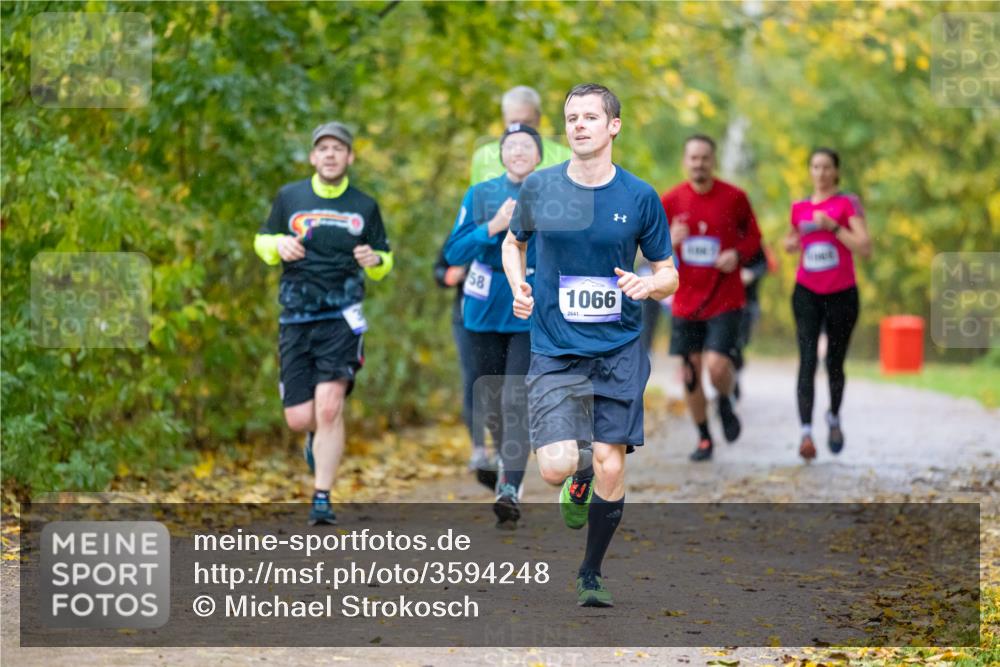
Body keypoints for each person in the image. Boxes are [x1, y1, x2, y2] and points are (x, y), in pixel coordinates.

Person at [502, 84, 678, 607]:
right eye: (571, 117)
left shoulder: (639, 196)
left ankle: (591, 573)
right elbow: (514, 245)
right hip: (556, 345)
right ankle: (575, 473)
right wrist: (518, 286)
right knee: (556, 465)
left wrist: (650, 285)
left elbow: (668, 273)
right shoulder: (541, 188)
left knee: (612, 463)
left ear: (614, 126)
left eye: (590, 117)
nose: (578, 125)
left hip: (619, 346)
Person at [254, 121, 393, 525]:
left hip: (342, 318)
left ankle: (321, 497)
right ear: (313, 157)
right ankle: (315, 437)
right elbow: (261, 240)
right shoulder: (289, 197)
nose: (330, 154)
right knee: (301, 417)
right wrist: (276, 244)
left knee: (330, 408)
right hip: (296, 316)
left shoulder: (364, 205)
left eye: (338, 148)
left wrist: (375, 261)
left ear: (349, 157)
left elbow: (385, 258)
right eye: (323, 148)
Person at [444, 123, 543, 527]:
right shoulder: (480, 194)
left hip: (526, 311)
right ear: (502, 154)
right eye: (511, 146)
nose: (518, 152)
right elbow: (453, 250)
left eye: (526, 146)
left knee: (515, 398)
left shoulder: (552, 194)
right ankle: (507, 467)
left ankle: (510, 487)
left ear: (538, 155)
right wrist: (493, 227)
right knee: (492, 400)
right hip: (483, 314)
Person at [661, 135, 762, 462]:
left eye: (705, 157)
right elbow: (648, 248)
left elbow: (755, 239)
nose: (699, 163)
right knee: (691, 373)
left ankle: (726, 398)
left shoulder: (735, 198)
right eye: (693, 158)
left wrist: (737, 254)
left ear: (713, 161)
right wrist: (668, 240)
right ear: (684, 161)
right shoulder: (671, 200)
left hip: (725, 298)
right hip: (686, 301)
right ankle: (704, 438)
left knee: (718, 368)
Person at [783, 148, 871, 461]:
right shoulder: (800, 207)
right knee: (807, 359)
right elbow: (791, 240)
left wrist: (833, 226)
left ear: (836, 171)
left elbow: (865, 247)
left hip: (842, 293)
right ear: (810, 171)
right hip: (806, 291)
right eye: (815, 167)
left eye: (826, 167)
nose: (820, 173)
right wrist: (790, 243)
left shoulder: (847, 204)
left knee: (834, 361)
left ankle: (833, 417)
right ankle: (806, 433)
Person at [469, 85, 572, 185]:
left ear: (538, 119)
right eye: (514, 123)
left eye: (527, 122)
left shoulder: (565, 156)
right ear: (503, 120)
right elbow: (476, 200)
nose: (520, 129)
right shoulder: (483, 156)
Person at [731, 246, 774, 399]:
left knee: (739, 344)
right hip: (723, 302)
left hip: (748, 302)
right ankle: (726, 386)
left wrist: (752, 274)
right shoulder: (719, 232)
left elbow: (766, 264)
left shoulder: (752, 241)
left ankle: (734, 377)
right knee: (724, 345)